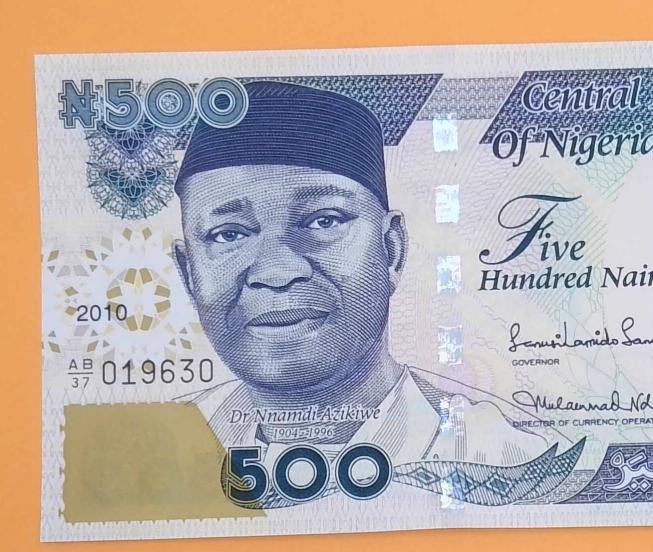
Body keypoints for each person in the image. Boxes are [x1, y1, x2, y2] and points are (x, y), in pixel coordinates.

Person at [172, 81, 553, 468]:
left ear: (391, 251)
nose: (276, 271)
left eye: (323, 221)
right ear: (189, 275)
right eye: (228, 234)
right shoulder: (163, 447)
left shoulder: (507, 461)